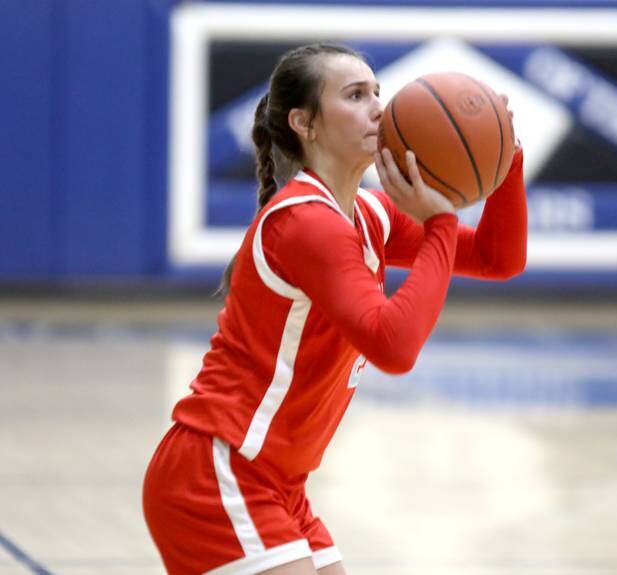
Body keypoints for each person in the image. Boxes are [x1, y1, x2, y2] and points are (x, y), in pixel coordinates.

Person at [142, 42, 527, 575]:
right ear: (306, 124)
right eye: (354, 95)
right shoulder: (305, 224)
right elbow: (393, 346)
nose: (377, 107)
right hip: (220, 471)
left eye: (377, 92)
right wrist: (439, 225)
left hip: (277, 482)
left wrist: (506, 158)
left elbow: (496, 257)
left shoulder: (368, 213)